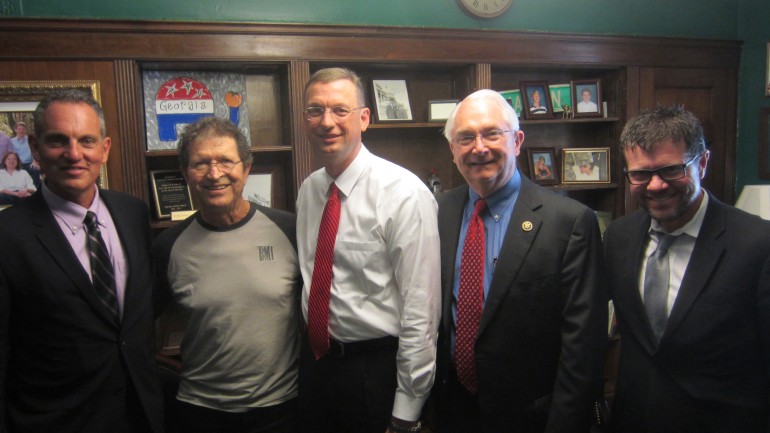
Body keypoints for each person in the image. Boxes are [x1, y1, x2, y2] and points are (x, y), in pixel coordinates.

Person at [435, 89, 607, 433]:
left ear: (517, 141)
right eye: (465, 137)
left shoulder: (570, 222)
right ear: (453, 150)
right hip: (452, 411)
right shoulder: (436, 211)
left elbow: (583, 347)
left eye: (492, 133)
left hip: (532, 417)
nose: (479, 147)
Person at [0, 89, 164, 432]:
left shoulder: (133, 213)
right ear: (35, 147)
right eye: (59, 140)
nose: (74, 154)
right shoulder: (8, 236)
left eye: (86, 141)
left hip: (141, 416)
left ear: (104, 149)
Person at [604, 105, 770, 433]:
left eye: (670, 170)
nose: (655, 185)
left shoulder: (758, 245)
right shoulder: (618, 237)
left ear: (703, 163)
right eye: (640, 174)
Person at [296, 67, 440, 433]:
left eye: (340, 110)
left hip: (376, 373)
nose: (327, 121)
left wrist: (406, 410)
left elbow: (420, 313)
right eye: (316, 110)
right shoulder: (309, 191)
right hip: (316, 366)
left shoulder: (404, 194)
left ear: (364, 118)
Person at [151, 116, 301, 433]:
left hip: (281, 411)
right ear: (185, 173)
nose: (214, 173)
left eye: (225, 161)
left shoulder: (290, 231)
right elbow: (137, 328)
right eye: (201, 163)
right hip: (199, 413)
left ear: (246, 169)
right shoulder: (168, 246)